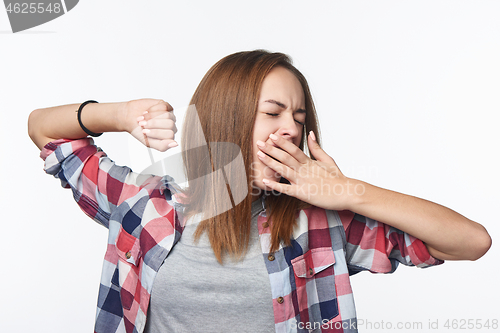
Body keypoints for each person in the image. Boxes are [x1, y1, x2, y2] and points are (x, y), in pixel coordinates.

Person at [28, 50, 491, 333]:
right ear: (227, 117)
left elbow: (471, 242)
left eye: (300, 117)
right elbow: (45, 131)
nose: (290, 128)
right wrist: (122, 112)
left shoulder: (319, 223)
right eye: (273, 113)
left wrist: (348, 191)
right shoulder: (142, 203)